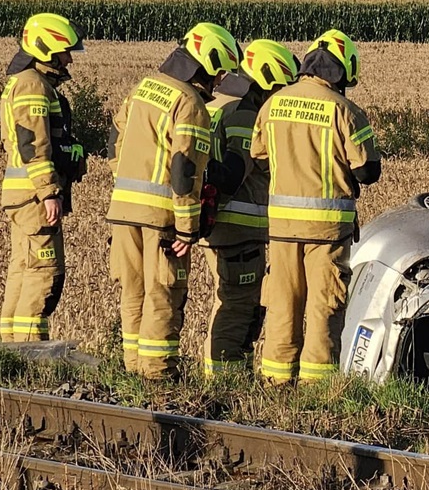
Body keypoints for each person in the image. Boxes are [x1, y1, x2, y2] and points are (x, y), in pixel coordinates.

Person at [107, 22, 238, 379]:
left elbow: (114, 141)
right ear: (207, 64)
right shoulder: (190, 103)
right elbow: (185, 172)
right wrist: (187, 229)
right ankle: (157, 374)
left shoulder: (143, 89)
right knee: (164, 294)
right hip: (162, 218)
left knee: (133, 294)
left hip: (122, 211)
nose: (220, 81)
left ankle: (133, 371)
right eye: (220, 72)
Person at [251, 29, 381, 386]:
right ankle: (316, 388)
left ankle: (276, 383)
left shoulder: (272, 104)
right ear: (343, 71)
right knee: (324, 307)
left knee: (282, 306)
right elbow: (368, 171)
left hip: (280, 230)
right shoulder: (345, 111)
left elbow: (259, 156)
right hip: (326, 232)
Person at [201, 39, 299, 378]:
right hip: (237, 228)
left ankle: (217, 374)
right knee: (239, 307)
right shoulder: (244, 114)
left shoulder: (214, 103)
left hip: (216, 224)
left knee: (225, 301)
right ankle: (227, 381)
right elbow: (234, 172)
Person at [0, 13, 87, 342]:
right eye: (65, 52)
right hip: (35, 197)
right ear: (47, 49)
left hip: (23, 196)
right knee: (44, 274)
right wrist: (49, 192)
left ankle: (9, 354)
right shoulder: (33, 85)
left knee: (23, 270)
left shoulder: (25, 82)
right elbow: (33, 143)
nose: (68, 59)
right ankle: (31, 353)